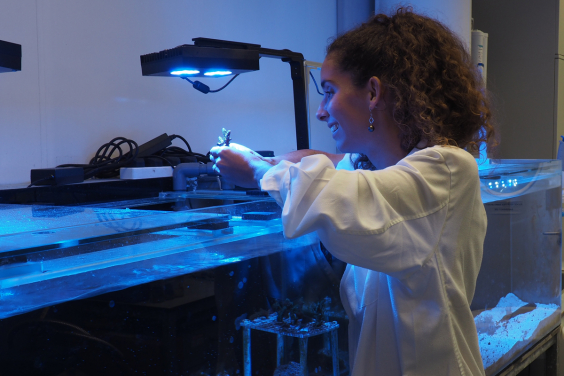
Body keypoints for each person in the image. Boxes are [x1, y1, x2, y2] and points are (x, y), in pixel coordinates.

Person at [209, 7, 495, 376]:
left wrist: (260, 172)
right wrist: (261, 158)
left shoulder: (447, 170)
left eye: (329, 92)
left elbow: (347, 198)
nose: (321, 112)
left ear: (373, 92)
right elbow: (327, 162)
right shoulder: (375, 167)